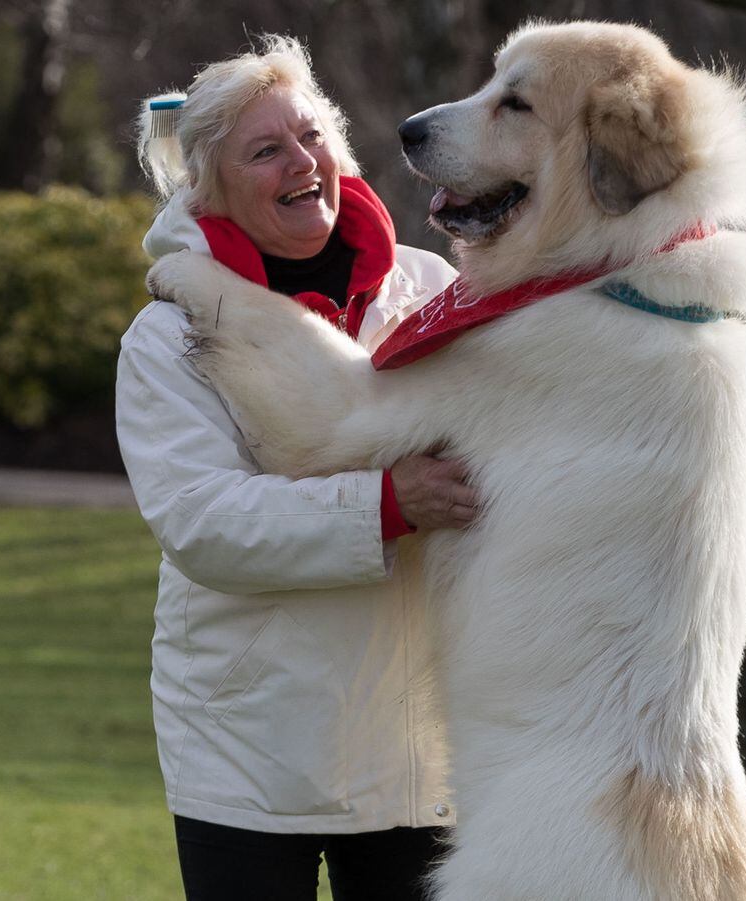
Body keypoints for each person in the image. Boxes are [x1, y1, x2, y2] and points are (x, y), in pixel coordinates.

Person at [115, 35, 475, 901]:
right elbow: (204, 522)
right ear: (215, 189)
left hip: (415, 740)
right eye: (266, 151)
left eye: (310, 137)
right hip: (247, 744)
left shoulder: (434, 291)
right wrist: (388, 504)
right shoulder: (167, 338)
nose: (300, 162)